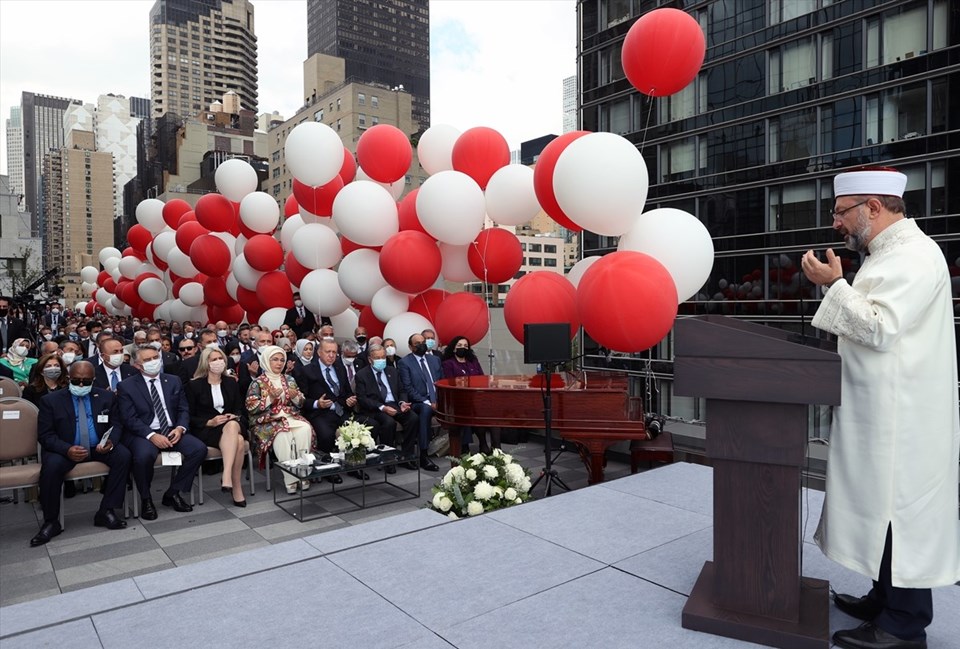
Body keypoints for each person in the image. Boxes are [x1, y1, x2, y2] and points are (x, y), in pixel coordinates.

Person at [800, 167, 959, 649]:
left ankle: (904, 626)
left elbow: (878, 326)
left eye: (841, 212)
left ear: (873, 207)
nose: (835, 223)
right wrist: (839, 285)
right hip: (882, 411)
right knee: (880, 510)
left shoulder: (913, 256)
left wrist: (834, 284)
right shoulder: (886, 255)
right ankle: (882, 598)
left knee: (899, 514)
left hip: (904, 419)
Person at [30, 361, 131, 546]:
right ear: (68, 378)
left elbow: (117, 424)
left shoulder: (106, 397)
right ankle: (51, 521)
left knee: (123, 455)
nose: (81, 385)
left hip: (97, 447)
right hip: (65, 448)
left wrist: (111, 442)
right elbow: (45, 435)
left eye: (86, 381)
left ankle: (106, 510)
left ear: (94, 380)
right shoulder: (51, 401)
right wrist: (66, 449)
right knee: (51, 467)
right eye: (76, 381)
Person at [116, 346, 207, 520]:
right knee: (143, 457)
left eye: (155, 357)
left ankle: (172, 493)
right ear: (137, 365)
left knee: (198, 449)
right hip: (144, 433)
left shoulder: (173, 380)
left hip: (173, 430)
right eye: (147, 360)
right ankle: (146, 498)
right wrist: (152, 435)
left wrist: (180, 428)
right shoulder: (126, 386)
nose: (153, 362)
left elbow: (183, 409)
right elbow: (129, 418)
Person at [246, 345, 315, 494]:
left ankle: (303, 474)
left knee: (305, 429)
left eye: (282, 360)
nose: (279, 363)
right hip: (267, 421)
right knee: (283, 435)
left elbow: (301, 402)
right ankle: (291, 479)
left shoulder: (289, 379)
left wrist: (295, 396)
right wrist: (270, 398)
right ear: (266, 361)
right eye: (275, 360)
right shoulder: (257, 382)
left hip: (290, 416)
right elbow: (251, 407)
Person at [186, 347, 247, 507]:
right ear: (206, 363)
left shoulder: (231, 382)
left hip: (231, 425)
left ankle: (226, 476)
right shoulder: (194, 385)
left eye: (220, 359)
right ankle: (236, 486)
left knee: (233, 425)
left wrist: (234, 415)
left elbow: (239, 408)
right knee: (239, 442)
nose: (218, 362)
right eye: (213, 359)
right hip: (208, 430)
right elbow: (189, 416)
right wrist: (209, 422)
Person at [295, 338, 355, 481]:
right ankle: (328, 469)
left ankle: (353, 466)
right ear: (319, 352)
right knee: (327, 435)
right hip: (319, 413)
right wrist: (317, 403)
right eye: (328, 352)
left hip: (340, 410)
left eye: (334, 352)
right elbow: (302, 400)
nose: (331, 355)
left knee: (355, 431)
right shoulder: (307, 370)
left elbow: (347, 391)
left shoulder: (339, 367)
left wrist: (349, 399)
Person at [354, 344, 418, 469]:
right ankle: (387, 458)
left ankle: (406, 455)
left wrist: (402, 402)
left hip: (395, 404)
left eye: (383, 357)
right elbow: (362, 399)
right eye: (377, 358)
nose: (381, 360)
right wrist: (382, 407)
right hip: (376, 407)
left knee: (413, 418)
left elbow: (402, 390)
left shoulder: (392, 371)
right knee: (388, 422)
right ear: (370, 359)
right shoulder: (362, 375)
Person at [440, 335, 499, 454]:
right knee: (476, 412)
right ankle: (483, 444)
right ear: (454, 348)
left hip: (477, 396)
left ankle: (497, 448)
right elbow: (450, 383)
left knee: (493, 413)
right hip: (460, 399)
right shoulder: (448, 363)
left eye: (465, 346)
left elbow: (482, 378)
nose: (463, 348)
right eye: (460, 346)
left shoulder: (473, 361)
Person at [397, 333, 441, 471]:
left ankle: (462, 448)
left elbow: (441, 382)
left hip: (437, 399)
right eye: (417, 343)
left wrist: (439, 400)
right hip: (418, 402)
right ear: (410, 347)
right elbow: (408, 388)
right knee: (425, 410)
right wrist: (428, 402)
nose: (421, 345)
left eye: (423, 342)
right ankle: (423, 454)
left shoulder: (435, 360)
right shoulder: (404, 363)